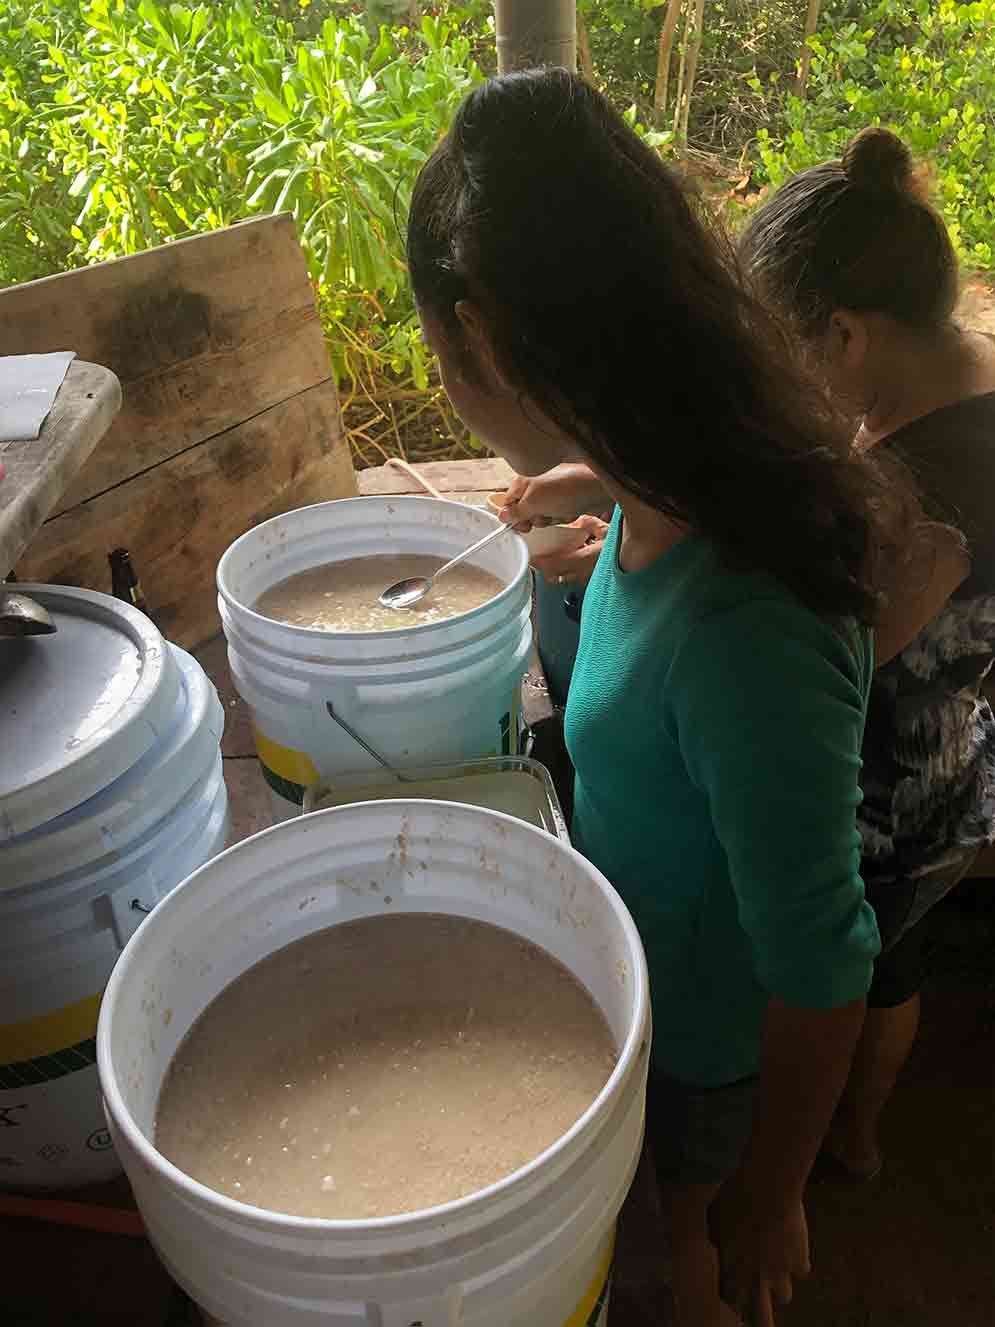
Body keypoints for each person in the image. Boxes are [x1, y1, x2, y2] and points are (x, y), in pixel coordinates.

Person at [407, 70, 922, 1326]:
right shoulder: (683, 467)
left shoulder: (745, 631)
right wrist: (596, 496)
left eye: (440, 357)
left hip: (709, 1054)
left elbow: (822, 967)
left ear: (480, 335)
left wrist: (765, 1194)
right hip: (655, 977)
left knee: (687, 1240)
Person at [739, 127, 995, 1182]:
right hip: (961, 760)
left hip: (896, 799)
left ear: (842, 334)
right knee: (894, 972)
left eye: (786, 356)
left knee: (846, 975)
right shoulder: (956, 367)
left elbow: (841, 654)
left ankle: (828, 1143)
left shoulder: (931, 490)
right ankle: (858, 1135)